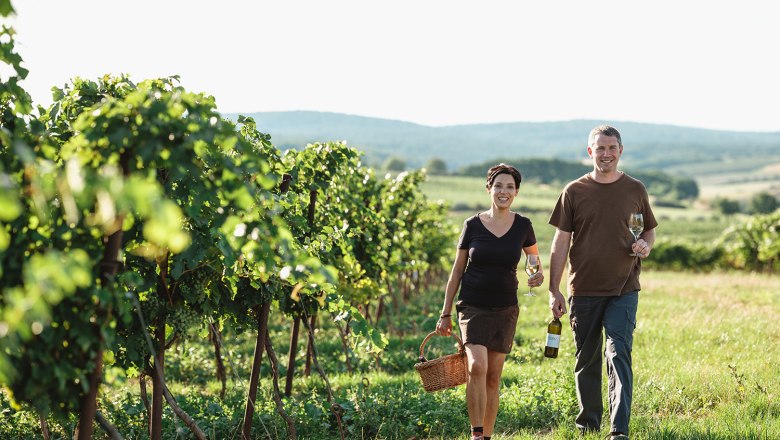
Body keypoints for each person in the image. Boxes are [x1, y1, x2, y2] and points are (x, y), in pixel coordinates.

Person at [547, 125, 657, 440]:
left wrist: (646, 245)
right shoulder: (573, 191)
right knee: (587, 358)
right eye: (600, 148)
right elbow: (560, 243)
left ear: (620, 151)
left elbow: (648, 230)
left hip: (624, 288)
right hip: (582, 290)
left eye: (612, 148)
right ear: (590, 151)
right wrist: (554, 289)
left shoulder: (635, 189)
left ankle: (618, 430)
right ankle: (588, 424)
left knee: (618, 353)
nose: (606, 154)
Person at [436, 163, 544, 440]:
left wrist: (537, 275)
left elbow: (534, 261)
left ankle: (487, 436)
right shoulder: (472, 225)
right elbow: (457, 270)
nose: (503, 191)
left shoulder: (524, 226)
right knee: (476, 366)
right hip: (472, 306)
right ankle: (475, 433)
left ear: (516, 192)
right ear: (489, 189)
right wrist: (445, 313)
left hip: (506, 308)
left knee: (494, 377)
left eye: (510, 187)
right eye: (498, 186)